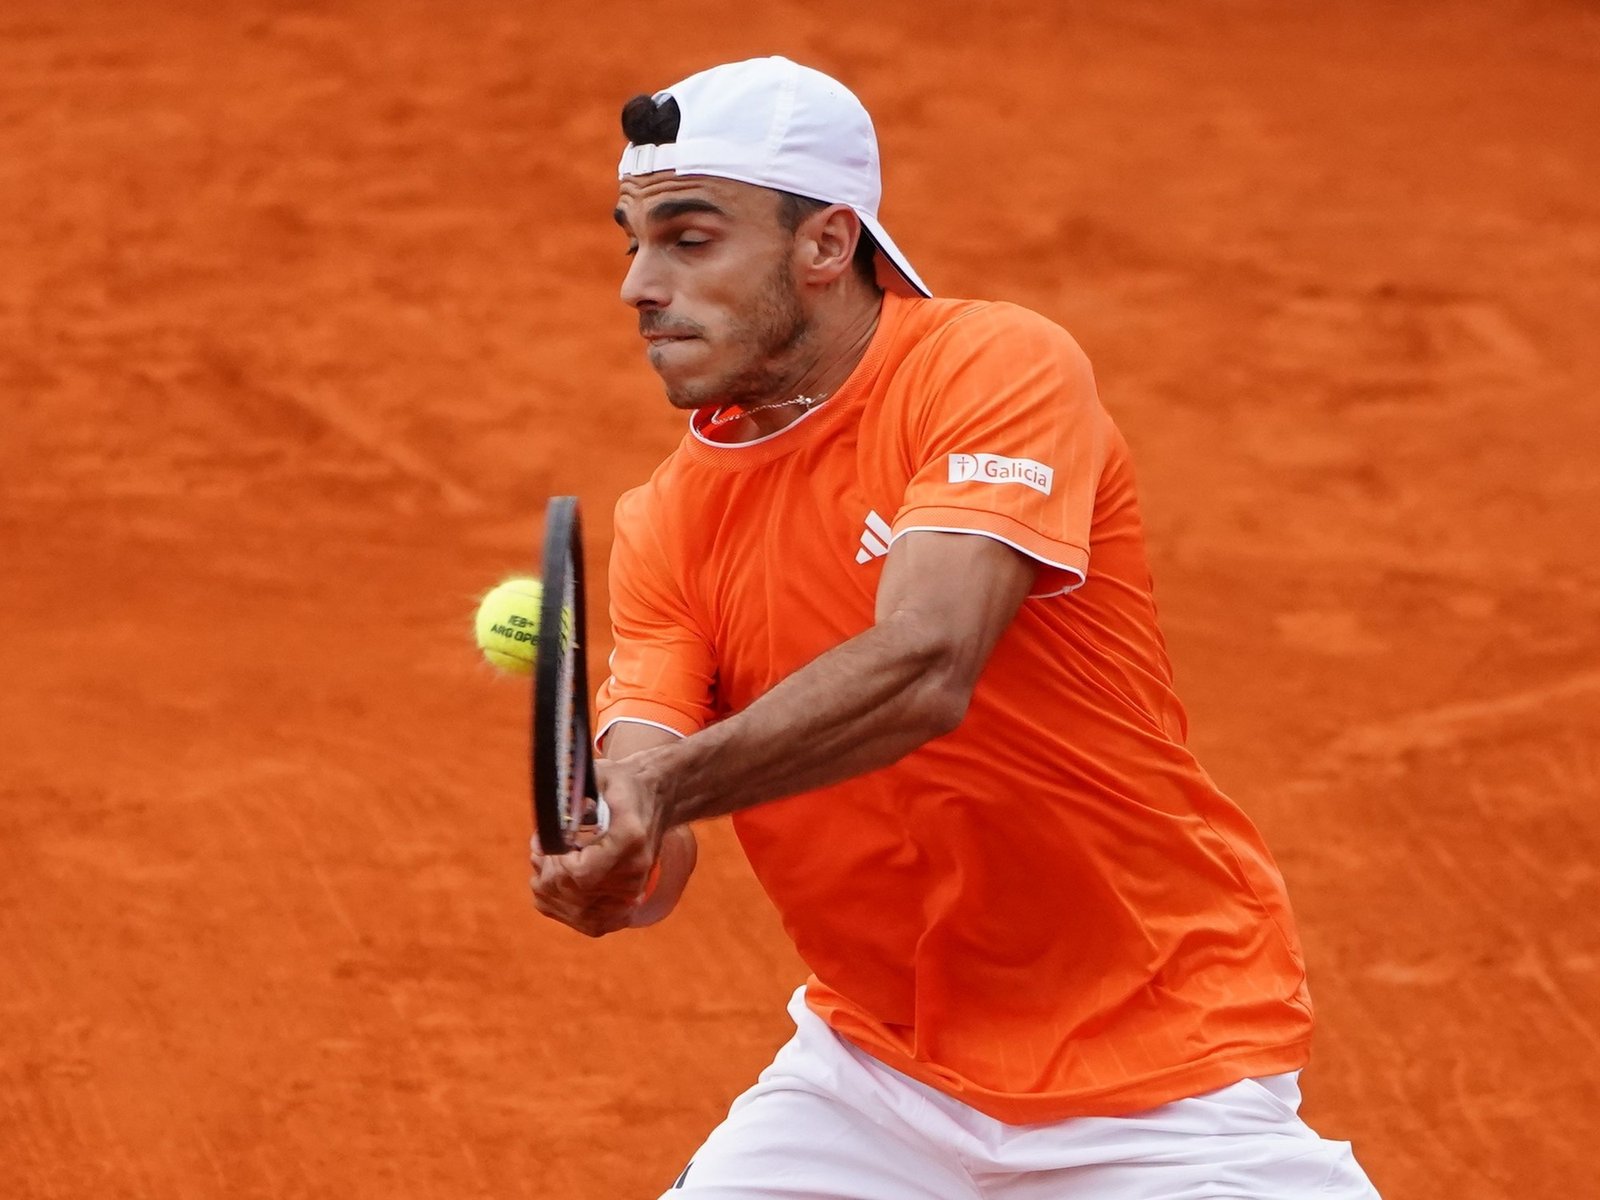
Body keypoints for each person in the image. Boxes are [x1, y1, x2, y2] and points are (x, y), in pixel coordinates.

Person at [531, 55, 1381, 1200]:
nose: (639, 285)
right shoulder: (667, 521)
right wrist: (617, 859)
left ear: (825, 243)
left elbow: (928, 664)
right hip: (875, 1078)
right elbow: (652, 803)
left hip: (1158, 1070)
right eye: (633, 242)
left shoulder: (987, 368)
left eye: (689, 239)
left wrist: (659, 791)